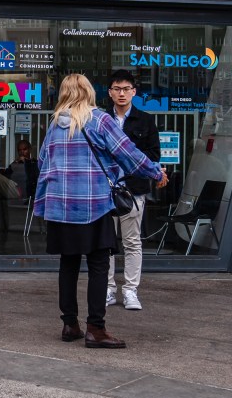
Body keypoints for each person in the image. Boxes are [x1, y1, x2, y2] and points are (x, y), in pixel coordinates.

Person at [34, 73, 166, 349]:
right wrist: (155, 172)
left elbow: (42, 160)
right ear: (90, 92)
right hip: (93, 204)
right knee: (98, 264)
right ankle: (96, 328)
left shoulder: (55, 124)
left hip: (61, 206)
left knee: (68, 264)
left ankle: (69, 324)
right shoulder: (99, 120)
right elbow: (128, 153)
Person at [104, 70, 160, 312]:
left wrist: (126, 161)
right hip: (104, 190)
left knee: (132, 242)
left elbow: (153, 156)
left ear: (134, 92)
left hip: (133, 190)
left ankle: (130, 291)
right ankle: (107, 289)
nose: (122, 93)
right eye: (117, 89)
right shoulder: (100, 118)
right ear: (110, 92)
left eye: (126, 89)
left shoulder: (145, 121)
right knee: (104, 243)